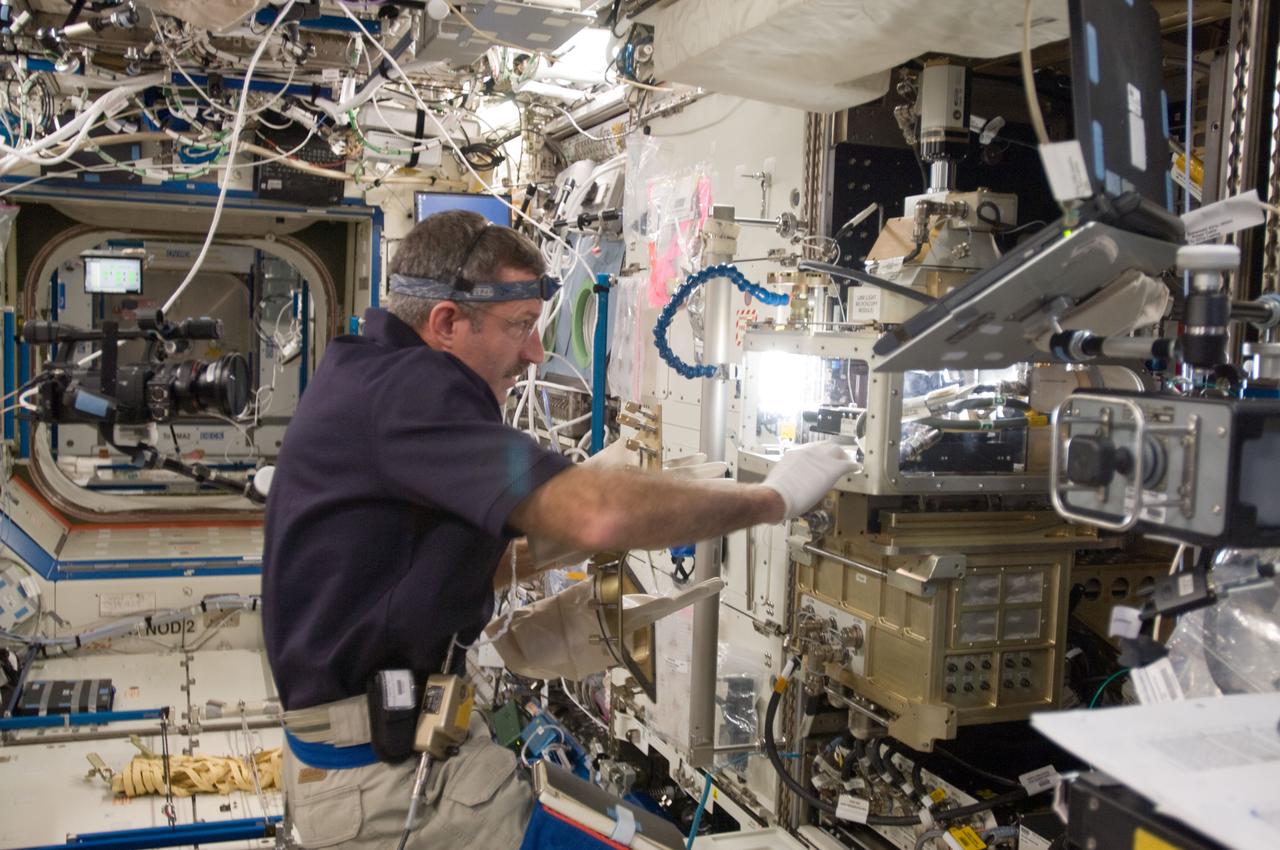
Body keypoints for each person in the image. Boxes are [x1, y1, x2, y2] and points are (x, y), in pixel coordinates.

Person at [262, 210, 857, 849]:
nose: (535, 352)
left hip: (382, 754)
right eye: (520, 326)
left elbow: (425, 557)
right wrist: (771, 498)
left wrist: (560, 552)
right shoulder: (413, 389)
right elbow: (595, 513)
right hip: (383, 782)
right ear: (447, 324)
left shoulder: (367, 373)